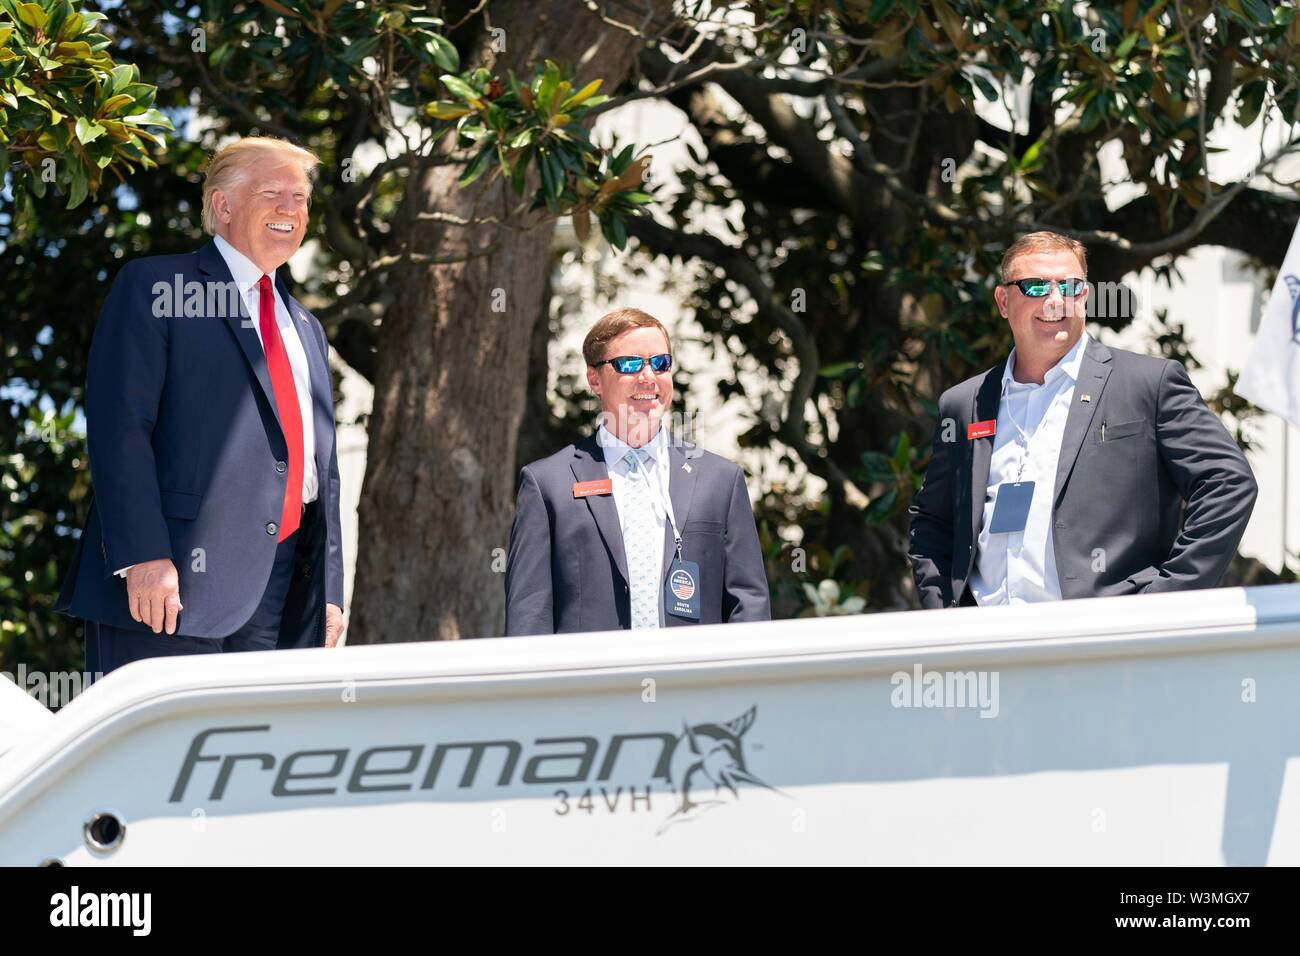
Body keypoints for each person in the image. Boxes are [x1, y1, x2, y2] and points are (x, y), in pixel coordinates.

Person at [56, 137, 346, 674]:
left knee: (254, 754)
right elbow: (121, 428)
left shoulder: (306, 327)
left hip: (282, 593)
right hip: (171, 588)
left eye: (301, 197)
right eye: (272, 192)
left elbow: (320, 470)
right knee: (157, 757)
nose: (291, 208)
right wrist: (143, 555)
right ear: (223, 205)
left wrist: (330, 590)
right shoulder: (156, 286)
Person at [908, 231, 1257, 609]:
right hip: (991, 647)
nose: (1056, 301)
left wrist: (1164, 602)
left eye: (1070, 287)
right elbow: (933, 523)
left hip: (1104, 641)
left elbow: (1228, 483)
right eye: (1037, 286)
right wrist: (946, 616)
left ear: (1085, 297)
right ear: (1003, 300)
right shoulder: (964, 403)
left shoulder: (1147, 384)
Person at [506, 308, 771, 634]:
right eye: (630, 364)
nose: (648, 377)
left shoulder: (720, 480)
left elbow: (749, 606)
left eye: (660, 363)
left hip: (694, 680)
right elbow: (529, 614)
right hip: (591, 680)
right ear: (594, 379)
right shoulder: (548, 484)